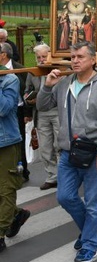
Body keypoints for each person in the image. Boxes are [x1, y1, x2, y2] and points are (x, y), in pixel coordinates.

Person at [37, 42, 97, 262]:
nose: (74, 60)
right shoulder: (64, 84)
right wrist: (47, 85)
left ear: (93, 60)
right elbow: (42, 106)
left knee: (94, 203)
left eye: (80, 57)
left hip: (94, 153)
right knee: (64, 196)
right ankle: (88, 232)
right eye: (72, 57)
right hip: (68, 152)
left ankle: (89, 245)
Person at [23, 44, 60, 190]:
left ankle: (64, 176)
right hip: (40, 113)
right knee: (45, 147)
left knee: (59, 146)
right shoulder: (33, 73)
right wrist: (28, 98)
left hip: (57, 111)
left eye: (44, 56)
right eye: (39, 57)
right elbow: (27, 91)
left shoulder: (59, 71)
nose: (41, 60)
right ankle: (52, 176)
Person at [0, 59, 27, 252]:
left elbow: (4, 108)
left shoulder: (9, 79)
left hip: (5, 142)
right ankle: (16, 214)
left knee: (6, 189)